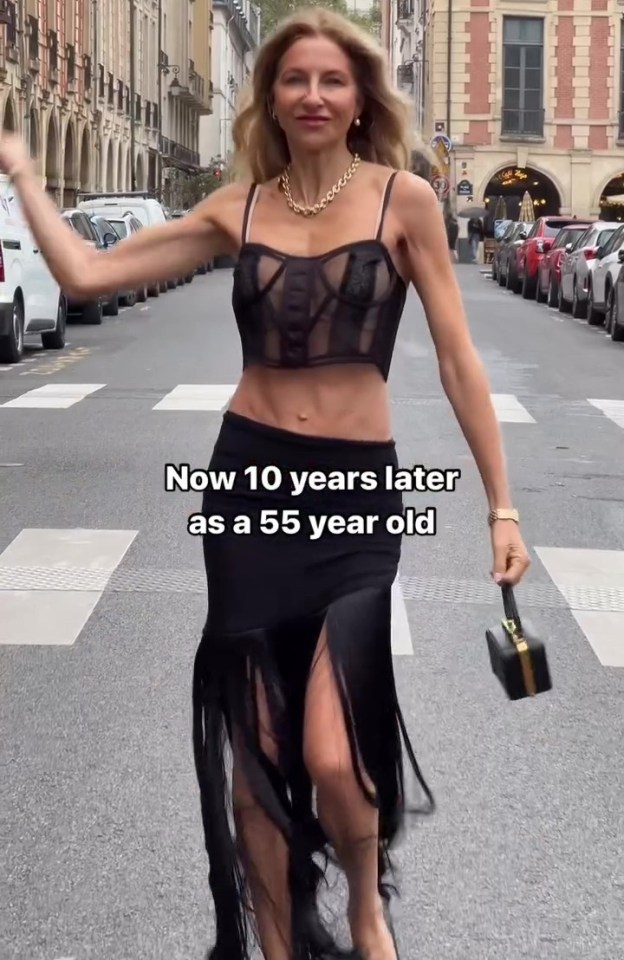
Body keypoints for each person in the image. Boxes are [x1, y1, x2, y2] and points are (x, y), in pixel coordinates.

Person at [0, 8, 531, 960]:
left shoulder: (401, 200)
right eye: (295, 81)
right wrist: (26, 172)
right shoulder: (236, 209)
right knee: (259, 755)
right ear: (272, 100)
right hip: (249, 489)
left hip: (357, 498)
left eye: (333, 80)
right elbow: (81, 273)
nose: (315, 96)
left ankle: (364, 900)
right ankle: (279, 946)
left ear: (360, 96)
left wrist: (500, 503)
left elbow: (457, 358)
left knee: (333, 750)